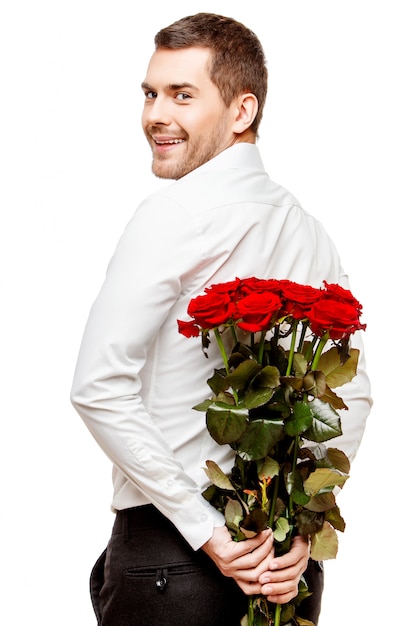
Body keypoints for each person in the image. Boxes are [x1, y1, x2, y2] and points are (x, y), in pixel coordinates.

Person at [71, 12, 372, 626]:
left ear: (242, 111)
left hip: (176, 558)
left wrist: (208, 533)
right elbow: (354, 393)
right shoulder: (309, 230)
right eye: (151, 93)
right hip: (287, 570)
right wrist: (300, 535)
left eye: (184, 95)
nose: (156, 113)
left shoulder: (173, 214)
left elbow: (97, 386)